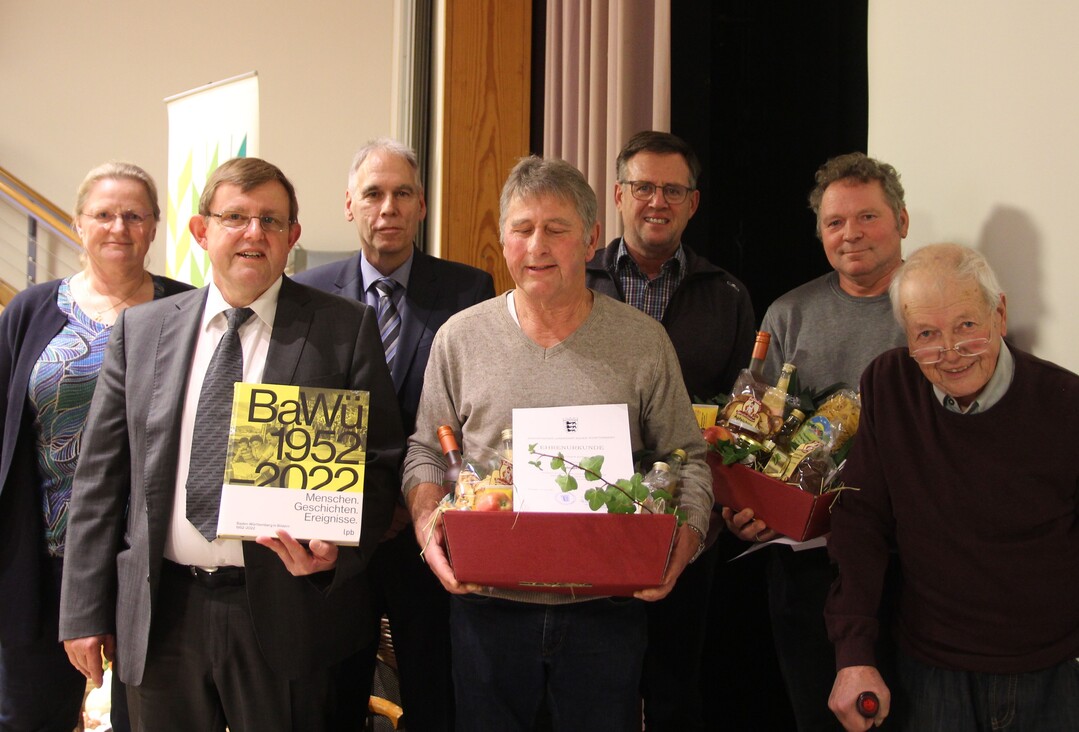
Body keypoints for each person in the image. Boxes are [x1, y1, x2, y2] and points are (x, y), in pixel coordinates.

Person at [57, 157, 404, 731]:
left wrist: (337, 547)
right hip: (163, 612)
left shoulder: (344, 329)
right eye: (236, 217)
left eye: (271, 220)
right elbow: (98, 482)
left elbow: (380, 464)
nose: (254, 233)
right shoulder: (142, 332)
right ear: (202, 231)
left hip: (287, 614)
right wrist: (84, 609)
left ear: (292, 237)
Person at [402, 156, 713, 731]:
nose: (537, 246)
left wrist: (684, 544)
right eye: (522, 229)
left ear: (592, 238)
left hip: (606, 608)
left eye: (556, 228)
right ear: (503, 240)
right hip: (486, 604)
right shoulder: (460, 338)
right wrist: (428, 529)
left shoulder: (642, 341)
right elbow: (424, 451)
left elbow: (687, 458)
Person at [825, 243, 1079, 731]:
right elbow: (860, 524)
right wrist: (853, 651)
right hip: (932, 672)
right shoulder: (888, 384)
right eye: (927, 335)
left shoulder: (1065, 403)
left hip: (1052, 670)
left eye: (967, 326)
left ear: (999, 314)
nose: (951, 353)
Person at [294, 138, 494, 730]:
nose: (389, 207)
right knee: (338, 696)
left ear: (422, 205)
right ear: (349, 205)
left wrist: (412, 505)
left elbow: (470, 411)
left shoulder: (468, 290)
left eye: (402, 193)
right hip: (337, 538)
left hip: (428, 534)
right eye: (374, 194)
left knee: (435, 694)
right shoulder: (307, 293)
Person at [0, 162, 192, 732]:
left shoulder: (187, 311)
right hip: (41, 559)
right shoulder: (29, 311)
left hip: (152, 561)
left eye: (134, 215)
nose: (118, 227)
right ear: (78, 223)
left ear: (155, 226)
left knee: (150, 718)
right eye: (103, 214)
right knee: (28, 718)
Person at [723, 152, 911, 731]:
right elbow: (743, 433)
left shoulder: (931, 305)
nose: (850, 233)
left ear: (902, 221)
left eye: (867, 217)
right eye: (834, 223)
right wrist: (741, 506)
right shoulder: (789, 314)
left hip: (912, 562)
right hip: (807, 565)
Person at [585, 130, 755, 730]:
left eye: (673, 190)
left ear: (693, 202)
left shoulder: (727, 295)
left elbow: (744, 415)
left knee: (676, 686)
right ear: (618, 195)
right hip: (591, 513)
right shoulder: (576, 282)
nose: (657, 201)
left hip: (689, 517)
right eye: (643, 187)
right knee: (595, 683)